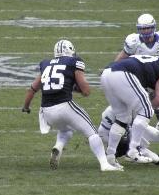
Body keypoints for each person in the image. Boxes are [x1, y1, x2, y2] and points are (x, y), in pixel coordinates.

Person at [21, 39, 120, 172]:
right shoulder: (73, 62)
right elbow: (86, 91)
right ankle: (104, 164)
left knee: (66, 129)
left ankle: (58, 147)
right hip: (64, 106)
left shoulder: (46, 64)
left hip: (46, 112)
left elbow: (32, 89)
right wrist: (76, 87)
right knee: (92, 133)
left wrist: (26, 107)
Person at [100, 54, 159, 165]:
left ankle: (110, 156)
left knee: (122, 118)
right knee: (147, 111)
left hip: (106, 74)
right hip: (122, 74)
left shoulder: (150, 63)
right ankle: (133, 151)